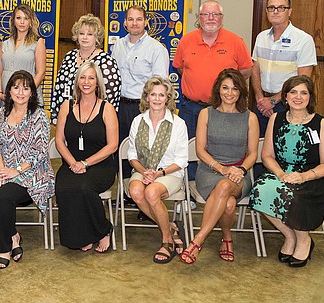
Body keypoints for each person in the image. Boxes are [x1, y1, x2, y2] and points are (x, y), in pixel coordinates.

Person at [251, 75, 324, 268]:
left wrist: (303, 176)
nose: (298, 97)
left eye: (304, 92)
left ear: (310, 97)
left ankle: (304, 240)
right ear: (286, 97)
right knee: (260, 190)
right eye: (293, 92)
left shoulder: (321, 124)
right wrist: (281, 174)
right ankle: (290, 236)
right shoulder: (276, 118)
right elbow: (267, 156)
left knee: (292, 195)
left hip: (314, 177)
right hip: (282, 172)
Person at [0, 70, 54, 269]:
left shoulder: (39, 116)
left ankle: (4, 249)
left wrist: (16, 171)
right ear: (9, 90)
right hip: (4, 167)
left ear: (32, 92)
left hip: (32, 172)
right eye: (16, 87)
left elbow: (40, 151)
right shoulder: (2, 113)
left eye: (26, 88)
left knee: (3, 197)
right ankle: (12, 235)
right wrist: (1, 168)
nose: (20, 92)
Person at [180, 69, 259, 264]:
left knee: (225, 187)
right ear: (218, 89)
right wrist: (221, 168)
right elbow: (200, 150)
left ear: (241, 91)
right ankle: (227, 237)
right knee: (229, 203)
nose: (229, 93)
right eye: (225, 88)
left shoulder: (250, 117)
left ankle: (198, 241)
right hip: (209, 172)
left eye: (234, 88)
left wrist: (240, 170)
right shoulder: (206, 114)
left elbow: (253, 153)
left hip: (239, 174)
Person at [173, 0, 253, 179]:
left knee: (224, 149)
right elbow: (180, 68)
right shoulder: (186, 40)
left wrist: (227, 90)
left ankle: (222, 185)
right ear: (199, 18)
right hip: (191, 107)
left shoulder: (235, 41)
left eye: (215, 14)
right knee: (189, 150)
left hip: (224, 110)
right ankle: (190, 190)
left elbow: (246, 70)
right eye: (206, 14)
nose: (210, 18)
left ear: (222, 17)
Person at [54, 61, 118, 252]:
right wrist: (73, 163)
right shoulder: (67, 106)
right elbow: (59, 141)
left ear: (97, 82)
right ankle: (82, 236)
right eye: (83, 77)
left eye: (91, 78)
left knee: (83, 186)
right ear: (77, 81)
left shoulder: (107, 109)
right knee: (64, 186)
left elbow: (113, 145)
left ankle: (103, 230)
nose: (86, 82)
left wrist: (85, 163)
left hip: (101, 165)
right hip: (71, 163)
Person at [126, 76, 188, 263]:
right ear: (146, 97)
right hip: (144, 169)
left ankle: (166, 240)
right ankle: (170, 227)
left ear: (168, 99)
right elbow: (132, 155)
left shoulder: (178, 124)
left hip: (169, 172)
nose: (157, 99)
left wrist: (158, 174)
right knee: (135, 191)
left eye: (162, 95)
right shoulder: (138, 121)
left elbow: (181, 160)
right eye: (153, 94)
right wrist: (144, 171)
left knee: (152, 192)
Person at [110, 6, 169, 191]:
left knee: (143, 152)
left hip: (143, 107)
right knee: (121, 149)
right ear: (125, 23)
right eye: (130, 19)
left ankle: (145, 195)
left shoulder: (156, 49)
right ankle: (126, 192)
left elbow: (160, 84)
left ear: (146, 22)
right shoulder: (118, 45)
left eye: (139, 19)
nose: (134, 23)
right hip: (120, 106)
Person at [251, 0, 317, 137]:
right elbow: (255, 69)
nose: (275, 12)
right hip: (261, 104)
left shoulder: (303, 40)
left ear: (289, 11)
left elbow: (303, 80)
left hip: (288, 104)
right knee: (261, 147)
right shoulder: (261, 37)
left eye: (281, 8)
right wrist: (260, 98)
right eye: (271, 8)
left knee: (284, 147)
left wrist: (273, 101)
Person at [50, 13, 120, 125]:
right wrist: (57, 116)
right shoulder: (69, 56)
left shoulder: (107, 61)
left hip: (94, 120)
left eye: (90, 34)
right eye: (81, 33)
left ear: (97, 37)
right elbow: (59, 88)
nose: (85, 37)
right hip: (68, 116)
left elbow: (111, 96)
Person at [0, 4, 46, 106]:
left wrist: (26, 92)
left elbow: (41, 73)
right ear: (13, 20)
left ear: (31, 21)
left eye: (26, 18)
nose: (22, 22)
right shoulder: (5, 42)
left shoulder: (37, 42)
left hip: (28, 99)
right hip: (7, 98)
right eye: (18, 18)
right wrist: (0, 92)